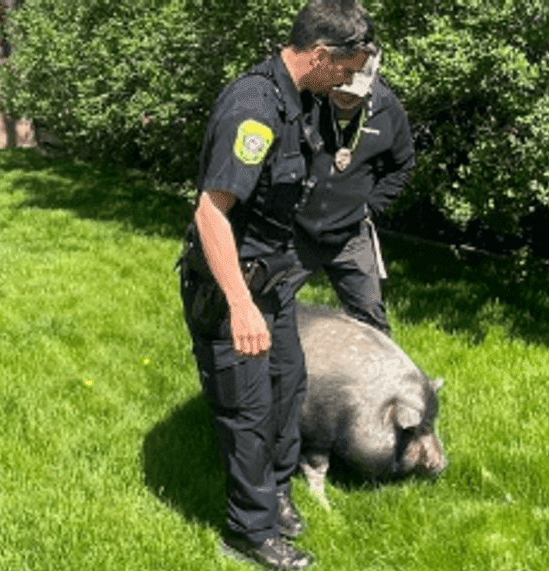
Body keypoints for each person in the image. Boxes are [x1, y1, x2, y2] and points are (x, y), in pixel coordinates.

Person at [177, 2, 376, 569]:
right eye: (344, 68)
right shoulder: (255, 108)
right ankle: (249, 531)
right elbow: (211, 213)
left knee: (288, 388)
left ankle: (277, 494)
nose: (347, 79)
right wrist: (240, 307)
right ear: (319, 55)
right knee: (247, 409)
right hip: (230, 287)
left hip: (274, 281)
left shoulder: (302, 99)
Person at [288, 50, 415, 336]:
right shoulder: (309, 99)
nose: (345, 97)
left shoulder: (389, 110)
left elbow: (403, 164)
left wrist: (371, 206)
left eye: (354, 93)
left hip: (351, 237)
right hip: (298, 232)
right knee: (263, 305)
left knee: (374, 324)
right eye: (341, 90)